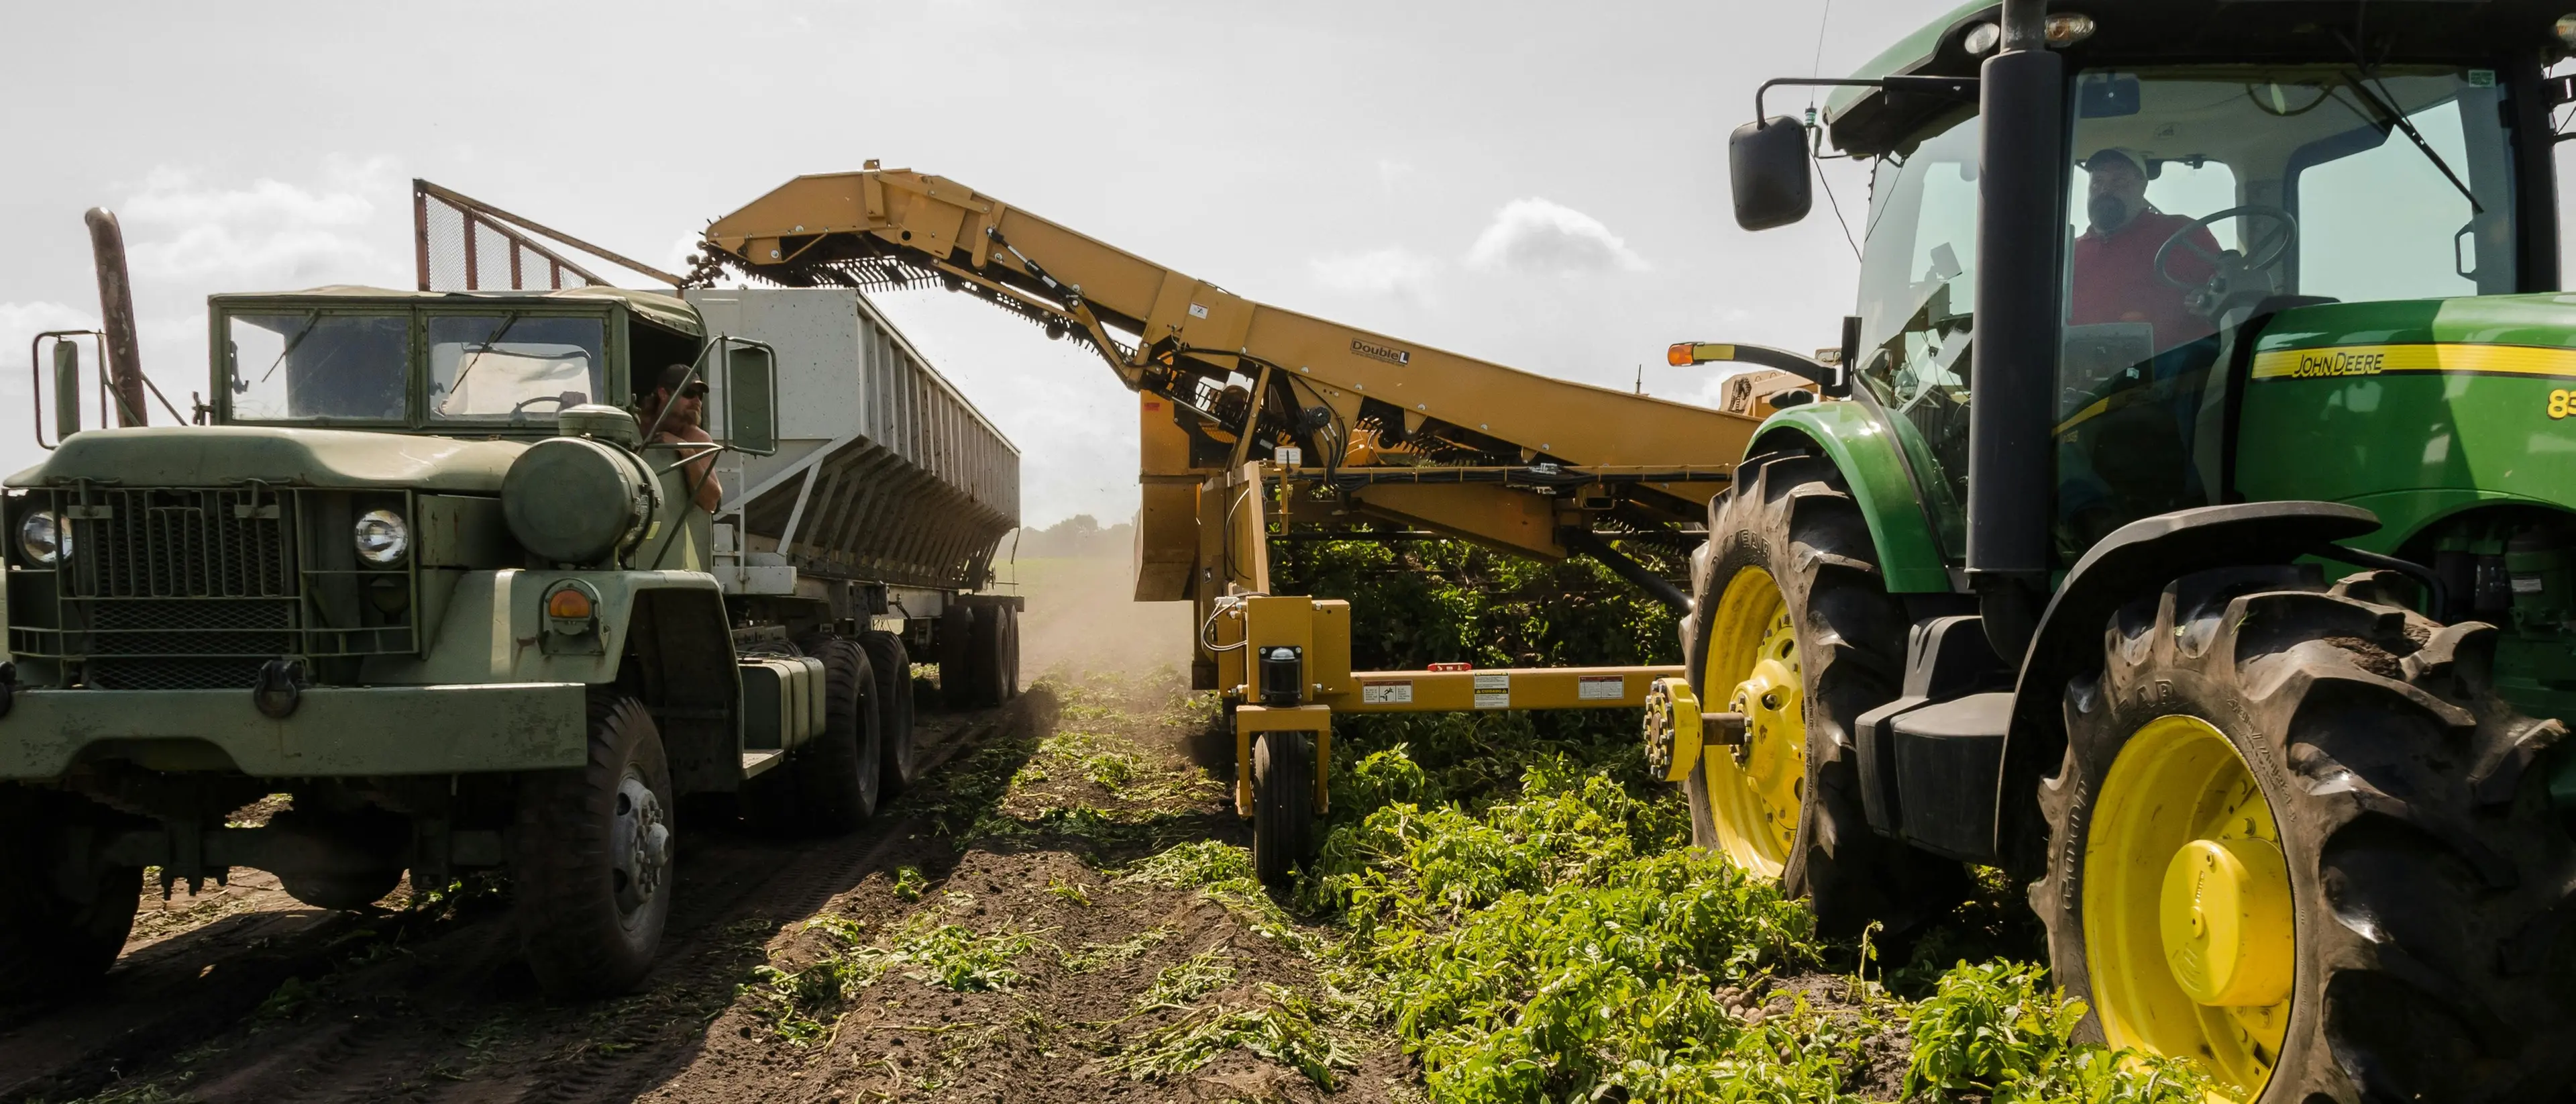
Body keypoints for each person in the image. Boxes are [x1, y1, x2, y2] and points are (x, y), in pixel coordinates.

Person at [2068, 148, 2220, 352]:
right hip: (2081, 374)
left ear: (2143, 186)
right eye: (2097, 182)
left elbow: (2225, 289)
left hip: (2176, 371)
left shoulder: (2184, 234)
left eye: (2119, 181)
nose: (2105, 190)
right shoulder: (2070, 254)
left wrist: (2208, 298)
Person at [639, 363, 723, 512]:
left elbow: (711, 502)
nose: (697, 401)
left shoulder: (698, 439)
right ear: (663, 394)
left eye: (700, 395)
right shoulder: (637, 426)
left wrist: (686, 450)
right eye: (689, 393)